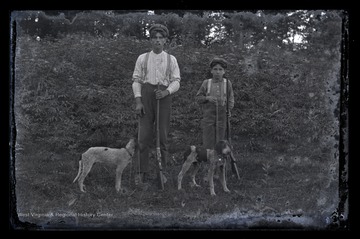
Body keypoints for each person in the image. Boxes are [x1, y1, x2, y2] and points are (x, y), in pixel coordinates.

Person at [132, 24, 181, 186]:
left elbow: (176, 81)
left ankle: (162, 172)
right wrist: (138, 101)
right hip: (146, 96)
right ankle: (140, 172)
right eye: (155, 38)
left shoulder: (171, 59)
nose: (158, 41)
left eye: (161, 38)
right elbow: (136, 80)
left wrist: (167, 92)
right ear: (151, 40)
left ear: (165, 40)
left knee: (163, 137)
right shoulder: (142, 58)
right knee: (143, 136)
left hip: (164, 97)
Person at [195, 57, 234, 150]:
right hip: (208, 115)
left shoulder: (227, 83)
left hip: (222, 115)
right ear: (211, 71)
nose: (218, 72)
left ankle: (221, 161)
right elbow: (198, 98)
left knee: (222, 139)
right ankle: (209, 159)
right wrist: (207, 98)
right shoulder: (206, 83)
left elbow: (231, 99)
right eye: (215, 69)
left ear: (224, 71)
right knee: (208, 139)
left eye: (220, 69)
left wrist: (229, 109)